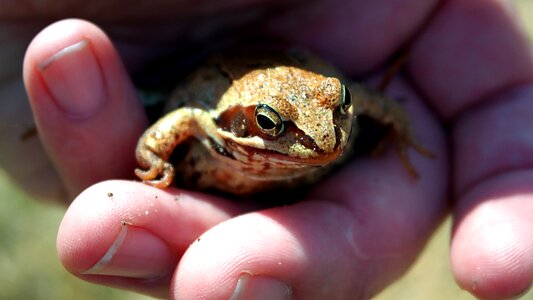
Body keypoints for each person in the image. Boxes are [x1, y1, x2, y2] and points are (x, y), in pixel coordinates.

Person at [2, 0, 530, 298]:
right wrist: (153, 159)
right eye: (274, 126)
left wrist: (399, 128)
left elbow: (369, 101)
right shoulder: (211, 121)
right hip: (211, 81)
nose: (327, 139)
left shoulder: (331, 112)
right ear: (256, 124)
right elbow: (185, 118)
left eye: (338, 110)